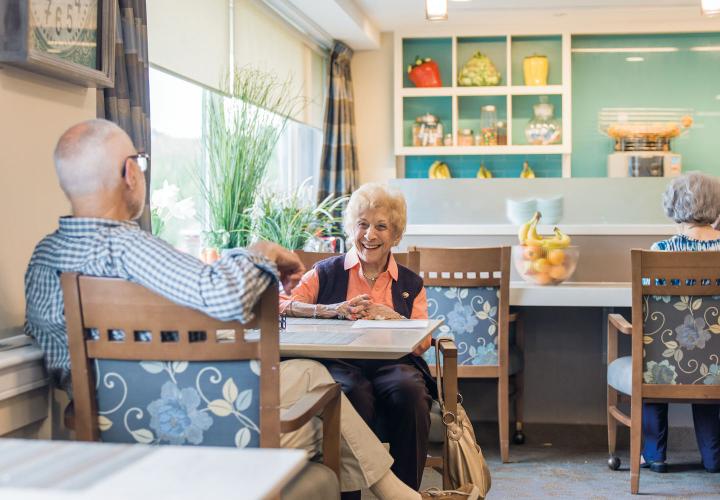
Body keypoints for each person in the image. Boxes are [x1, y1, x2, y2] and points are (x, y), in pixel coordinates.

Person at [24, 119, 477, 500]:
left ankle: (393, 491)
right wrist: (259, 251)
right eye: (139, 163)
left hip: (106, 422)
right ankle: (398, 493)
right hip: (187, 416)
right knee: (323, 388)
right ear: (129, 173)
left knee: (326, 378)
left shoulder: (43, 258)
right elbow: (224, 298)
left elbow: (58, 354)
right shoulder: (131, 249)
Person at [282, 183, 434, 492]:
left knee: (410, 391)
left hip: (394, 365)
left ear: (396, 234)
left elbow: (422, 343)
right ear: (352, 228)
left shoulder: (410, 283)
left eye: (381, 226)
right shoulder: (325, 272)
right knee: (349, 391)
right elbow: (279, 305)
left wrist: (393, 317)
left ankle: (406, 492)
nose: (370, 235)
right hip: (339, 363)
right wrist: (327, 310)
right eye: (362, 225)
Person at [643, 172, 720, 473]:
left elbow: (651, 312)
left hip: (668, 361)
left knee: (653, 358)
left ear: (673, 206)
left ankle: (655, 456)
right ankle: (713, 457)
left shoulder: (659, 253)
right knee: (707, 363)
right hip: (715, 361)